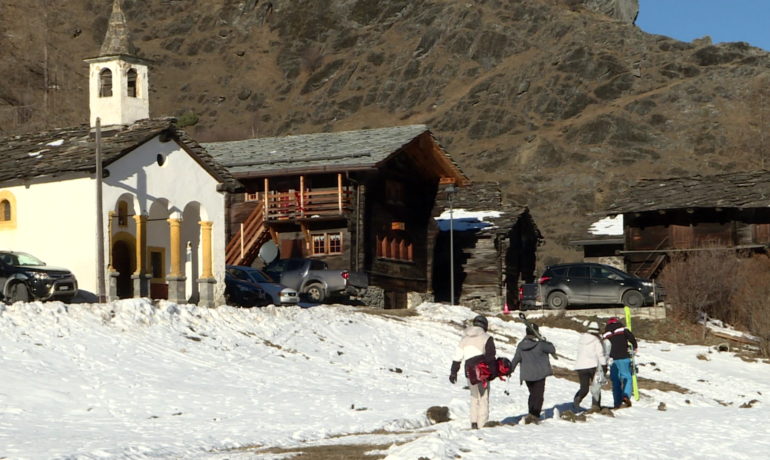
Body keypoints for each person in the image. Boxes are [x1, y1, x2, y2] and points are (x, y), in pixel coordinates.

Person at [449, 315, 496, 429]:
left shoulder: (465, 338)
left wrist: (453, 372)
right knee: (483, 398)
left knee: (474, 396)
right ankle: (482, 424)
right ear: (485, 325)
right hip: (483, 371)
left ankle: (473, 422)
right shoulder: (487, 338)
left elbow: (457, 357)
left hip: (469, 372)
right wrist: (493, 373)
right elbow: (491, 357)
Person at [510, 322, 556, 424]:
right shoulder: (540, 344)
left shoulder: (521, 345)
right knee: (538, 396)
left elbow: (516, 359)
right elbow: (552, 349)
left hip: (527, 376)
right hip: (539, 374)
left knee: (532, 394)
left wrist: (510, 370)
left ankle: (531, 413)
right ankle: (535, 416)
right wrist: (544, 340)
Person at [602, 317, 638, 408]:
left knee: (615, 381)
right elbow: (631, 338)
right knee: (627, 377)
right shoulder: (623, 329)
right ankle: (625, 396)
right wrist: (635, 347)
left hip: (611, 360)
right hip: (623, 356)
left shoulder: (605, 334)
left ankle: (617, 403)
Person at [573, 320, 607, 411]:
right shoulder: (596, 340)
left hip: (580, 366)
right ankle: (596, 406)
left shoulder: (581, 339)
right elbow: (600, 354)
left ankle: (577, 400)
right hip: (592, 366)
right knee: (596, 387)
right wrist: (604, 366)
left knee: (584, 388)